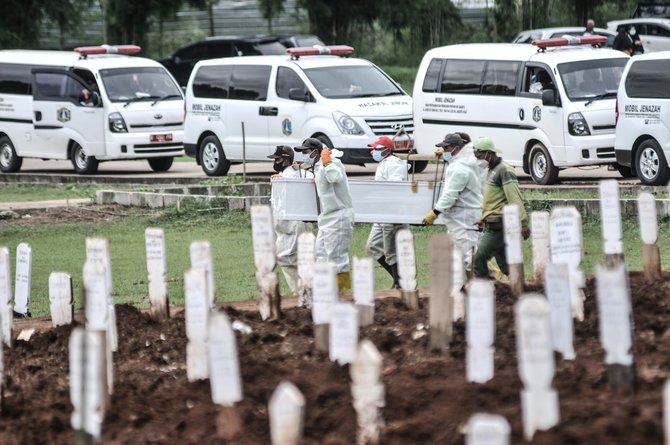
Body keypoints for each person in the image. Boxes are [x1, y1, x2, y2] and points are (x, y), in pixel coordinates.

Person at [294, 137, 354, 291]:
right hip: (326, 218)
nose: (304, 155)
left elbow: (335, 177)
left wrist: (327, 161)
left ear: (315, 151)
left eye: (306, 152)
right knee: (320, 255)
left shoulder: (333, 162)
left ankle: (342, 292)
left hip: (339, 216)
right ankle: (325, 290)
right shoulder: (319, 166)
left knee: (337, 259)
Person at [422, 133, 483, 274]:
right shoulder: (462, 162)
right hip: (460, 219)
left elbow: (450, 195)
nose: (444, 151)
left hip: (466, 219)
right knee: (458, 258)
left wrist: (434, 213)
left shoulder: (458, 168)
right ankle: (464, 289)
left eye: (446, 148)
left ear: (456, 149)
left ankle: (489, 286)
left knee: (469, 259)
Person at [471, 137, 530, 279]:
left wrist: (523, 222)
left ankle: (488, 290)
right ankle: (522, 289)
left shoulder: (504, 170)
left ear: (489, 153)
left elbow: (514, 196)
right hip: (492, 223)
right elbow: (495, 200)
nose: (477, 159)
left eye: (479, 156)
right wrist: (484, 219)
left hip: (499, 226)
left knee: (478, 259)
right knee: (507, 267)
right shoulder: (491, 170)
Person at [268, 145, 314, 296]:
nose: (275, 162)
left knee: (286, 257)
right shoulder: (301, 173)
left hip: (293, 223)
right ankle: (306, 289)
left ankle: (301, 291)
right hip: (301, 221)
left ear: (286, 160)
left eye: (278, 159)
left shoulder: (284, 177)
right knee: (301, 258)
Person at [365, 136, 408, 288]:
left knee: (391, 250)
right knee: (372, 247)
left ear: (387, 150)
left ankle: (399, 283)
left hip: (392, 212)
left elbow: (395, 187)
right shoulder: (384, 163)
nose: (372, 152)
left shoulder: (394, 164)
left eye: (376, 149)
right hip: (382, 212)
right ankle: (402, 280)